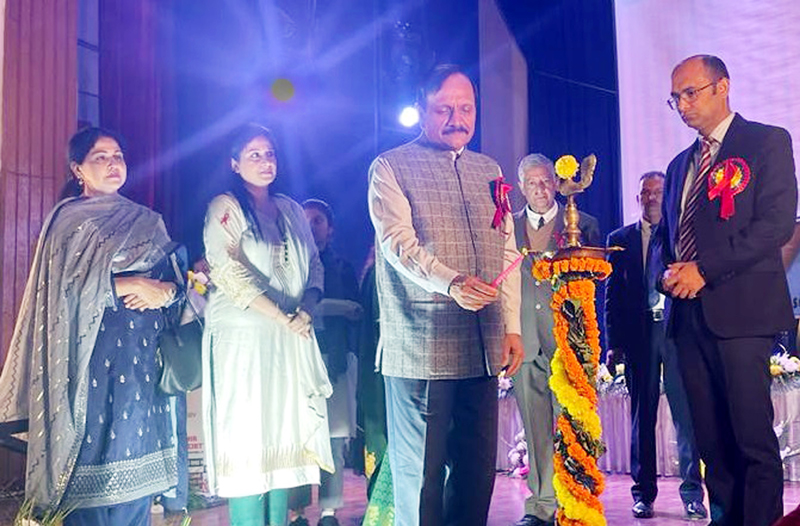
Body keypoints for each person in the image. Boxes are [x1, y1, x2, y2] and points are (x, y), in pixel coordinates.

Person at [0, 127, 183, 525]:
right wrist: (125, 285)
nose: (113, 163)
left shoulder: (147, 221)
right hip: (85, 365)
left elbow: (177, 283)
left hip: (140, 362)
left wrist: (163, 293)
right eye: (100, 157)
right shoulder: (67, 221)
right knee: (86, 476)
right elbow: (57, 293)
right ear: (77, 169)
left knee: (135, 461)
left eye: (118, 154)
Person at [367, 64, 523, 526]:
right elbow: (397, 243)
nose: (458, 118)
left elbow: (507, 249)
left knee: (477, 477)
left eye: (466, 108)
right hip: (421, 348)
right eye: (444, 108)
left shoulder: (489, 169)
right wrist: (450, 283)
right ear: (420, 111)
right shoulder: (390, 166)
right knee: (420, 480)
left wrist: (511, 326)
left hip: (482, 346)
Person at [652, 55, 797, 526]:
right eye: (675, 98)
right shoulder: (679, 166)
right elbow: (662, 238)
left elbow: (774, 225)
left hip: (742, 315)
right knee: (711, 441)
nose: (683, 104)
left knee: (750, 439)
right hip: (687, 320)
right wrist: (664, 275)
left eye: (691, 92)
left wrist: (705, 270)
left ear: (723, 87)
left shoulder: (766, 142)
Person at [202, 124, 334, 526]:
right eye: (254, 154)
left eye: (270, 153)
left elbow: (314, 266)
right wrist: (281, 315)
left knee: (284, 439)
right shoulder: (225, 207)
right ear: (234, 163)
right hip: (244, 341)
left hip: (290, 338)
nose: (265, 161)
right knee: (247, 439)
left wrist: (307, 309)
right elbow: (226, 270)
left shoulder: (292, 209)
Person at [605, 171, 706, 520]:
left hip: (677, 335)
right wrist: (613, 341)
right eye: (645, 192)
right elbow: (611, 296)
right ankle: (643, 494)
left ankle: (693, 494)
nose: (650, 197)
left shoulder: (682, 236)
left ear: (667, 196)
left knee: (686, 418)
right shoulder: (619, 239)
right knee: (641, 417)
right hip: (639, 337)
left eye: (657, 192)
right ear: (637, 199)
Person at [512, 153, 600, 526]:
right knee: (534, 427)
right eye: (532, 182)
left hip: (568, 343)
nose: (540, 188)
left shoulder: (582, 224)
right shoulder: (506, 228)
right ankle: (541, 505)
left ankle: (574, 503)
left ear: (557, 182)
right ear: (521, 187)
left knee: (572, 427)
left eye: (546, 180)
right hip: (523, 342)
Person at [287, 199, 362, 526]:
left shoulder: (342, 267)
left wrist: (330, 309)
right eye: (305, 220)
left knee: (332, 437)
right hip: (294, 362)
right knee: (297, 436)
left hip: (333, 360)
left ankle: (329, 510)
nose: (311, 225)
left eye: (318, 220)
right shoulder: (288, 265)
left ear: (330, 228)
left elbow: (357, 311)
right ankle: (297, 510)